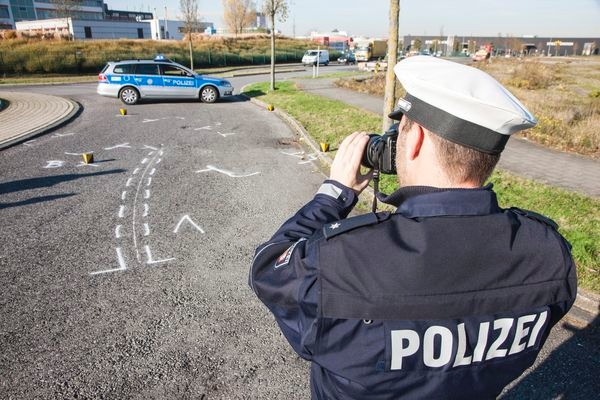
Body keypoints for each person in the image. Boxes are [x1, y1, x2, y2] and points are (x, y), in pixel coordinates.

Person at [249, 56, 577, 399]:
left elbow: (267, 271)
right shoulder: (548, 254)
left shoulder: (342, 260)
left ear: (416, 138)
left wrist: (332, 196)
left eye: (399, 132)